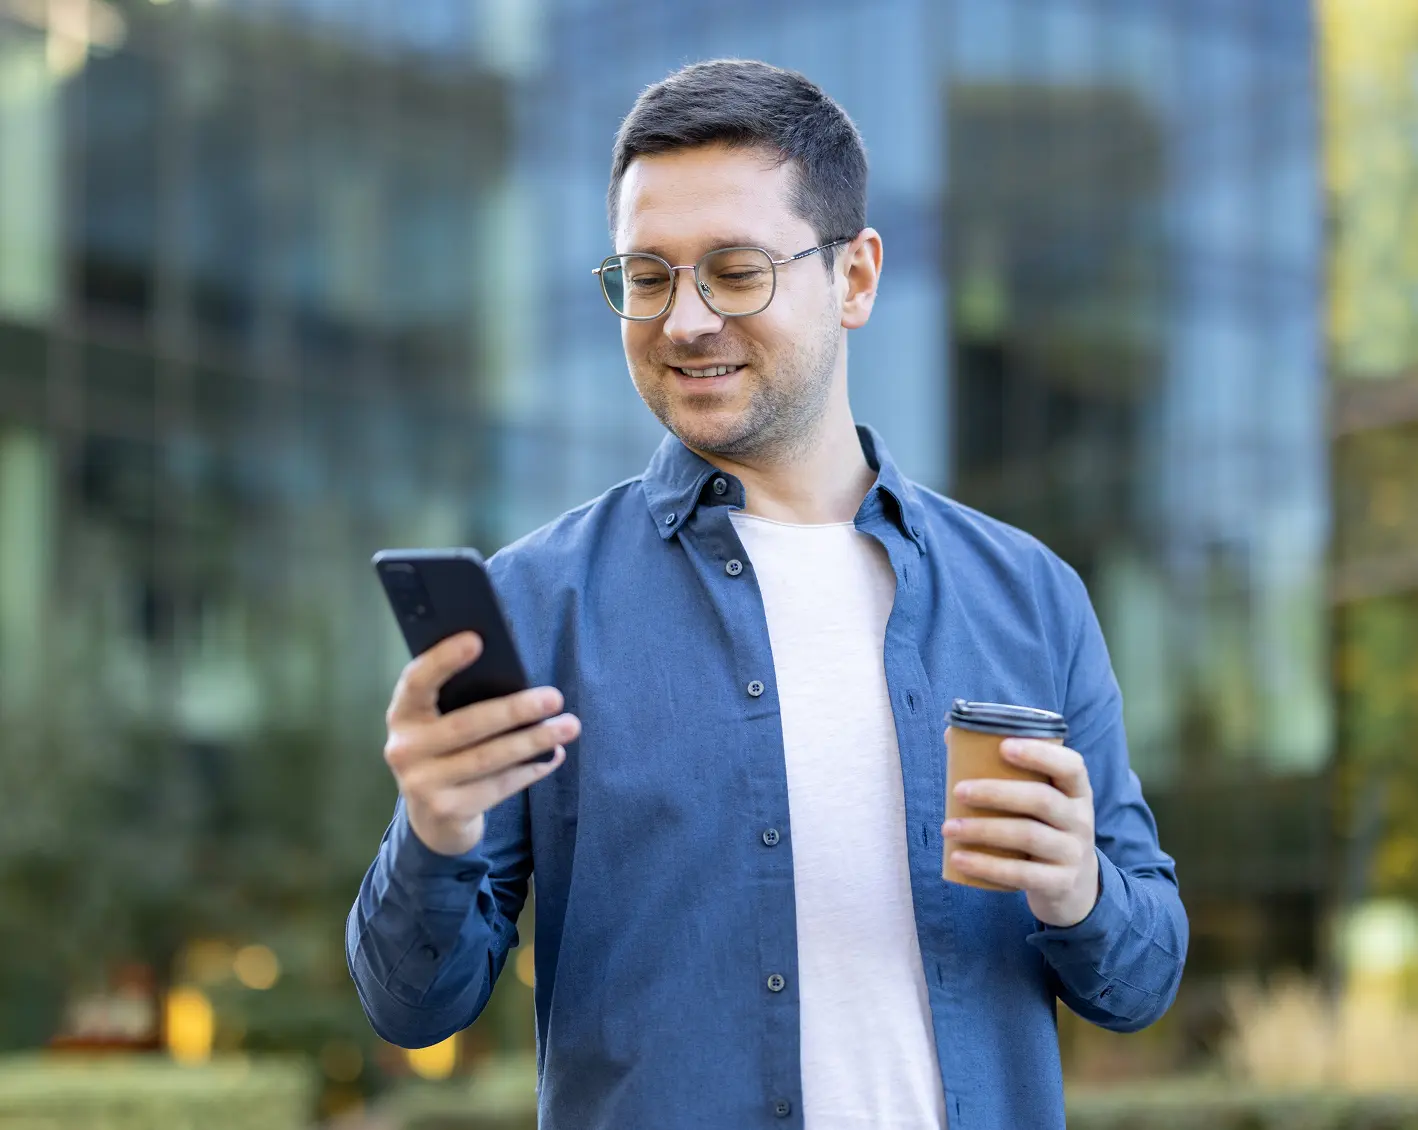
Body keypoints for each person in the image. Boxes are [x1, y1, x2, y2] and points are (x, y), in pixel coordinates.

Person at [347, 59, 1187, 1130]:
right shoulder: (536, 602)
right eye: (645, 276)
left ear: (855, 277)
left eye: (734, 271)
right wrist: (433, 825)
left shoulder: (1027, 595)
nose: (684, 320)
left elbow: (1141, 977)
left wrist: (1078, 890)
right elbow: (412, 1004)